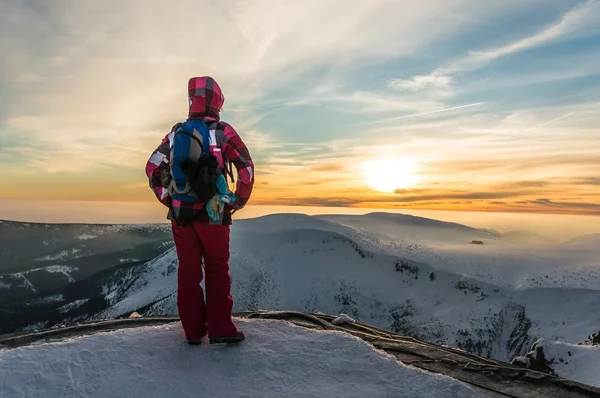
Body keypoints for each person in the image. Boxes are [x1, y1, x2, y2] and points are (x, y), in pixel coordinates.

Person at [145, 76, 254, 345]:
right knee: (217, 269)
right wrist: (236, 202)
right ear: (217, 101)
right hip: (214, 215)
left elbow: (151, 168)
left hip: (181, 216)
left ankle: (193, 332)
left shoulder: (175, 134)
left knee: (188, 272)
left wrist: (167, 199)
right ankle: (220, 329)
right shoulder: (223, 132)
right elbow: (246, 170)